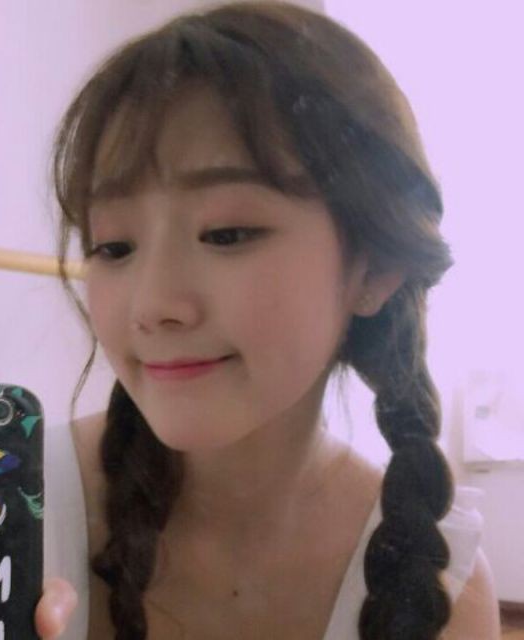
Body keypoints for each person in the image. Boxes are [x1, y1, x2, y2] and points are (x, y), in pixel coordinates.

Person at [34, 1, 501, 638]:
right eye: (113, 246)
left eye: (226, 234)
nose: (153, 306)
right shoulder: (2, 503)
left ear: (374, 267)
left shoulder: (440, 585)